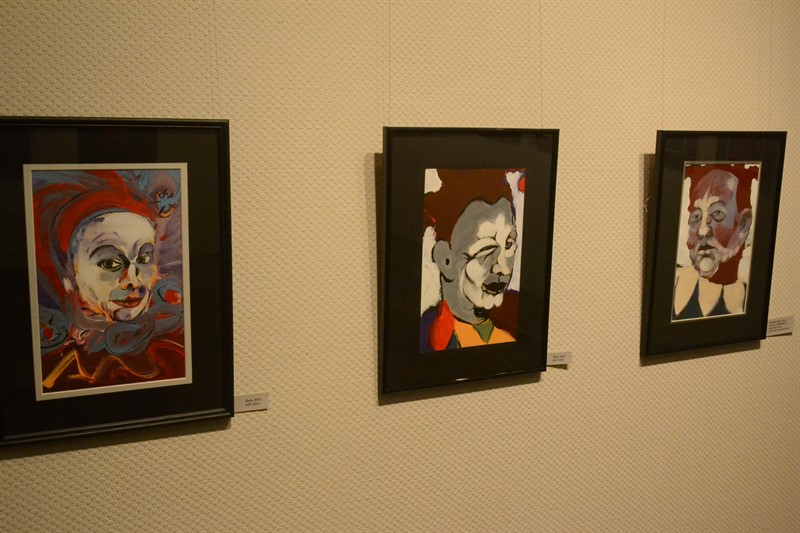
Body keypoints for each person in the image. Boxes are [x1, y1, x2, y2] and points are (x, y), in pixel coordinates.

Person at [32, 169, 186, 392]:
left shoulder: (175, 345)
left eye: (143, 259)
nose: (133, 280)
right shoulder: (52, 366)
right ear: (70, 274)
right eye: (110, 264)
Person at [420, 168, 522, 351]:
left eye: (508, 244)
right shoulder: (425, 336)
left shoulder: (519, 321)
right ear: (445, 260)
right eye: (486, 250)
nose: (503, 268)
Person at [673, 167, 756, 320]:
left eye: (717, 213)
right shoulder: (672, 282)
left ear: (743, 225)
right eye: (696, 216)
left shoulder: (752, 297)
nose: (702, 231)